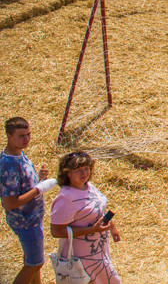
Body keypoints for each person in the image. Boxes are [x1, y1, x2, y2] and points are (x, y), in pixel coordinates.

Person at [50, 150, 121, 284]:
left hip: (97, 250)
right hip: (80, 256)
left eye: (86, 168)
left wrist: (112, 227)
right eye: (79, 170)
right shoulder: (65, 198)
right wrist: (91, 230)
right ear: (67, 173)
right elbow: (56, 231)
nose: (84, 173)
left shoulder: (88, 187)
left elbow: (99, 210)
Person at [2, 117, 56, 284]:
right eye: (21, 136)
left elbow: (23, 187)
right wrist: (39, 189)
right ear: (9, 136)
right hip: (25, 222)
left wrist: (39, 180)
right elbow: (9, 203)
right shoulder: (10, 165)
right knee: (35, 264)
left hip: (32, 219)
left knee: (32, 262)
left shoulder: (19, 155)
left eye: (28, 134)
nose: (26, 139)